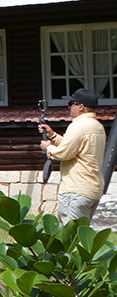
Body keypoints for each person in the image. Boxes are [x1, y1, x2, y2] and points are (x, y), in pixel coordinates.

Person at [40, 87, 108, 224]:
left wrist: (48, 148)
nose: (69, 108)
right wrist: (53, 136)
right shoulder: (98, 126)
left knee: (71, 235)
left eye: (71, 104)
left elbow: (64, 153)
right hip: (92, 189)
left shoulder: (78, 126)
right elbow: (77, 147)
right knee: (82, 232)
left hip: (76, 190)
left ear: (81, 106)